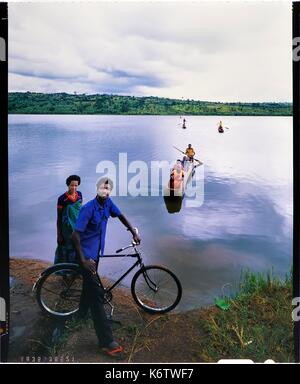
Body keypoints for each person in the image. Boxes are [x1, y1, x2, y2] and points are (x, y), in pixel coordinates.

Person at [71, 177, 141, 358]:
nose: (106, 191)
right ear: (97, 189)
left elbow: (121, 216)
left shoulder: (108, 203)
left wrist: (132, 231)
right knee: (97, 296)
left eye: (108, 189)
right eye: (103, 188)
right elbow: (75, 236)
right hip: (86, 256)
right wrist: (84, 261)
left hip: (96, 253)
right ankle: (106, 342)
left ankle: (80, 315)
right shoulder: (88, 208)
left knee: (90, 288)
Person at [54, 175, 82, 264]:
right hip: (66, 229)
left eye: (76, 185)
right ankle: (65, 270)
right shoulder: (62, 199)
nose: (74, 187)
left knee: (78, 247)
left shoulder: (79, 195)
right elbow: (59, 218)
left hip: (77, 226)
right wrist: (59, 234)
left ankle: (76, 269)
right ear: (68, 185)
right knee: (67, 249)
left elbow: (80, 211)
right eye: (72, 185)